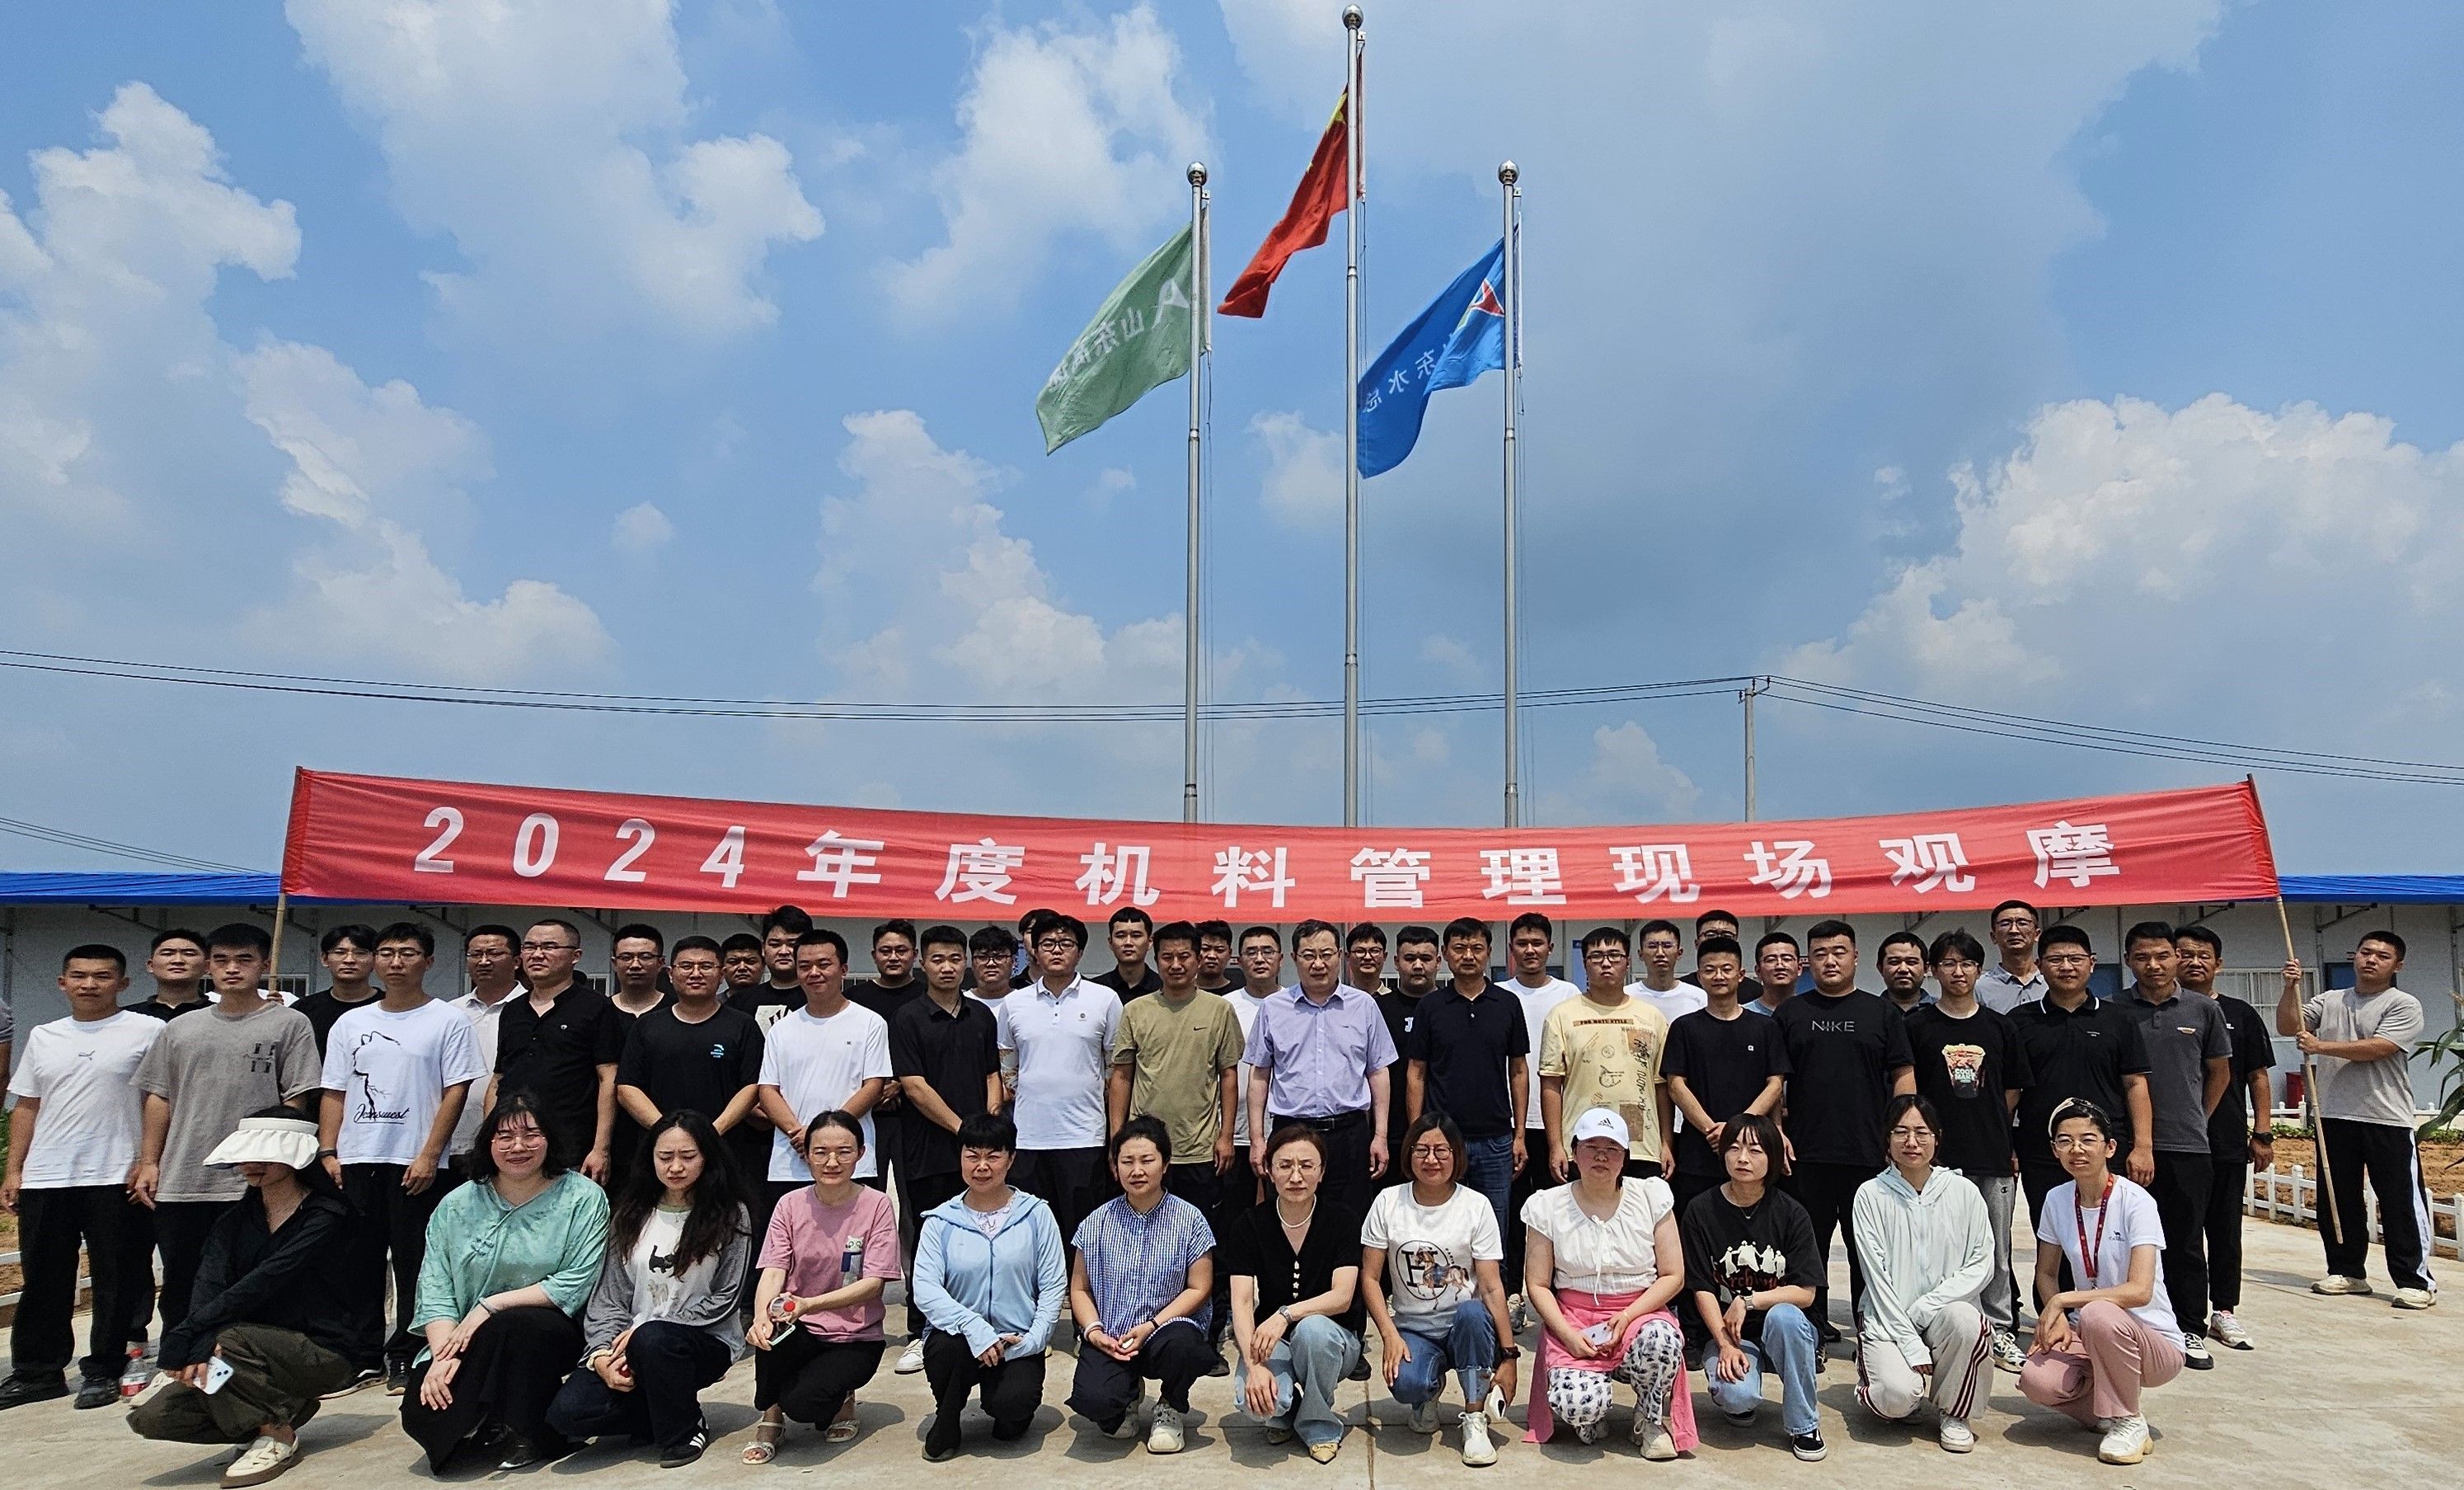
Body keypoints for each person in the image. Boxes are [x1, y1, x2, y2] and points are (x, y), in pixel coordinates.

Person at [126, 1110, 359, 1488]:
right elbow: (208, 1284)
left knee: (229, 1339)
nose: (251, 1165)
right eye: (246, 1156)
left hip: (324, 1350)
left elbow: (264, 1281)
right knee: (152, 1418)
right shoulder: (233, 1221)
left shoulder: (327, 1216)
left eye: (265, 1156)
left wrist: (193, 1334)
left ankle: (276, 1432)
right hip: (246, 1351)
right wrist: (193, 1341)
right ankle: (275, 1409)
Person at [400, 1093, 612, 1471]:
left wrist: (491, 1305)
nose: (518, 1147)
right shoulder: (456, 1205)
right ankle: (490, 1418)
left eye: (531, 1135)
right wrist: (442, 1357)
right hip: (468, 1335)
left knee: (516, 1325)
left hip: (551, 1328)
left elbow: (576, 1281)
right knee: (425, 1414)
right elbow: (436, 1287)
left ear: (549, 1139)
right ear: (488, 1143)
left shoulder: (583, 1197)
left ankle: (534, 1431)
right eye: (505, 1137)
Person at [317, 923, 487, 1394]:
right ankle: (361, 1355)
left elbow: (456, 1091)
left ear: (428, 962)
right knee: (358, 1261)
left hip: (417, 1161)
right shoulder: (351, 1023)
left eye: (408, 953)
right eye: (387, 952)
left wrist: (430, 1154)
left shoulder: (447, 1020)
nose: (396, 962)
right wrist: (329, 1150)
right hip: (357, 1158)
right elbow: (334, 1090)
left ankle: (407, 1352)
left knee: (417, 1262)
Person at [134, 924, 321, 1338]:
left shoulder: (290, 1024)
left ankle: (242, 1361)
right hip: (185, 1177)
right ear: (208, 966)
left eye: (244, 960)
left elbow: (295, 1099)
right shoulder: (180, 1028)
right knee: (181, 1282)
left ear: (265, 965)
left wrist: (277, 1166)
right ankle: (180, 1358)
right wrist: (149, 1162)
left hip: (252, 1178)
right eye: (221, 960)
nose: (231, 969)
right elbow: (159, 1097)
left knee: (248, 1280)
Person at [2, 945, 162, 1412]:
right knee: (44, 1278)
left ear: (123, 983)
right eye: (79, 976)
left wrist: (148, 1159)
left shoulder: (148, 1031)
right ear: (63, 982)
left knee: (116, 1276)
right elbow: (27, 1105)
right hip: (47, 1175)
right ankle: (37, 1372)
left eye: (102, 976)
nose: (89, 984)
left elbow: (159, 1099)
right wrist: (14, 1168)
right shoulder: (44, 1035)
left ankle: (105, 1369)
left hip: (117, 1173)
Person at [547, 1112, 753, 1468]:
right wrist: (601, 1355)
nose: (676, 1167)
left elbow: (726, 1297)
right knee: (568, 1414)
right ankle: (662, 1410)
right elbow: (609, 1296)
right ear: (650, 1159)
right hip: (630, 1342)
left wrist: (650, 1328)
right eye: (665, 1157)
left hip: (702, 1340)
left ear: (707, 1157)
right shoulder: (630, 1214)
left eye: (688, 1156)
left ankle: (684, 1431)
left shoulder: (731, 1214)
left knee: (654, 1339)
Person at [1518, 1107, 1694, 1457]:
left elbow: (1674, 1275)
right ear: (1574, 1152)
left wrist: (1628, 1317)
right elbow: (1536, 1284)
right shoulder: (1547, 1205)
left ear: (1625, 1158)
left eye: (1612, 1149)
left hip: (1638, 1313)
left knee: (1662, 1341)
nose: (1601, 1156)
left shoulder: (1651, 1197)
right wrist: (1568, 1335)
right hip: (1576, 1319)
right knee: (1577, 1404)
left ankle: (1650, 1418)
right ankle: (1590, 1418)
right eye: (1591, 1147)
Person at [1772, 919, 1915, 1347]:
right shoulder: (1791, 1014)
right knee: (1807, 1247)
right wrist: (1777, 1130)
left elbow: (1903, 1075)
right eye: (1820, 954)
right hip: (1804, 1154)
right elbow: (1775, 1080)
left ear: (1855, 957)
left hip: (1868, 1153)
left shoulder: (1882, 1013)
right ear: (1807, 963)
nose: (1830, 961)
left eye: (1838, 952)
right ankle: (1810, 1327)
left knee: (1868, 1249)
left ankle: (1870, 1328)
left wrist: (1900, 1135)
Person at [2017, 1100, 2184, 1466]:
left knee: (2098, 1313)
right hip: (2089, 1333)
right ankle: (2109, 1411)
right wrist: (2059, 1318)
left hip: (2152, 1342)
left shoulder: (2136, 1202)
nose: (2076, 1149)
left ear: (2109, 1147)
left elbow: (2140, 1290)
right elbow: (2046, 1272)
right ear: (2055, 1150)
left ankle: (2128, 1420)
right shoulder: (2057, 1199)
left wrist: (2063, 1301)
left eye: (2088, 1140)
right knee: (2036, 1380)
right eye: (2065, 1141)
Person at [2281, 933, 2437, 1308]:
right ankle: (2347, 1271)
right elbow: (2289, 1026)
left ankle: (2415, 1280)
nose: (2371, 960)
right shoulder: (2330, 1000)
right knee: (2338, 1200)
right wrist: (2289, 988)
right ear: (2355, 957)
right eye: (2366, 952)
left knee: (2399, 1200)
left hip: (2387, 1117)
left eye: (2383, 956)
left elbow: (2380, 1048)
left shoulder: (2403, 1004)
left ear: (2398, 965)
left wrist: (2321, 1046)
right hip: (2334, 1114)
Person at [1106, 922, 1243, 1349]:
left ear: (1199, 958)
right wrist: (1117, 1140)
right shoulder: (1137, 1010)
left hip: (1200, 1149)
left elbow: (1228, 1075)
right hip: (1145, 1154)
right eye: (1167, 957)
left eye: (1185, 956)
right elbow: (1122, 1076)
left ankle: (1208, 1334)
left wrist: (1225, 1135)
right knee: (1142, 1247)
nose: (1176, 964)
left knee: (1206, 1247)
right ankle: (1140, 1325)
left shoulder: (1218, 1010)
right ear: (1155, 958)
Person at [1903, 928, 2033, 1373]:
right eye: (1948, 964)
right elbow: (1909, 1090)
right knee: (1933, 1249)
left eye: (1967, 964)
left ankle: (1999, 1328)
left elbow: (2012, 1089)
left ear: (1979, 970)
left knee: (1995, 1248)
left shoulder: (2001, 1027)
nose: (1958, 972)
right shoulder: (1916, 1026)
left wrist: (1991, 1122)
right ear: (1933, 971)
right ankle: (1935, 1325)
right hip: (1933, 1161)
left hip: (1991, 1155)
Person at [1360, 1114, 1518, 1467]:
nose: (1431, 1159)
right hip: (1413, 1328)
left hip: (1465, 1326)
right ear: (1409, 1153)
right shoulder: (1387, 1201)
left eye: (1441, 1151)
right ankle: (1427, 1394)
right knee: (1406, 1384)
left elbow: (1491, 1286)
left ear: (1456, 1154)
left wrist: (1509, 1357)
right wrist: (1389, 1335)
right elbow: (1369, 1278)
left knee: (1473, 1312)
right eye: (1422, 1150)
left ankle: (1474, 1416)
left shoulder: (1476, 1206)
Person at [744, 1111, 902, 1461]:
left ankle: (842, 1395)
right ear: (806, 1154)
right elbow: (773, 1269)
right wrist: (760, 1317)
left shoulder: (876, 1204)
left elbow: (873, 1284)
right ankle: (771, 1415)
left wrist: (809, 1304)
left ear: (861, 1153)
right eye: (821, 1152)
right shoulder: (789, 1205)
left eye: (844, 1152)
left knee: (805, 1405)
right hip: (799, 1327)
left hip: (854, 1336)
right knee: (771, 1326)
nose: (832, 1162)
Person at [911, 1112, 1068, 1462]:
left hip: (1016, 1338)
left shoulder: (1037, 1214)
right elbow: (925, 1288)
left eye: (993, 1156)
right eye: (972, 1155)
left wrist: (1034, 1339)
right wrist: (974, 1327)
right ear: (960, 1158)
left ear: (1011, 1160)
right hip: (959, 1338)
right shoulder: (940, 1220)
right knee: (946, 1349)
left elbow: (1053, 1284)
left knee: (1011, 1415)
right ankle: (947, 1418)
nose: (982, 1166)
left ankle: (1007, 1406)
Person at [2115, 921, 2232, 1369]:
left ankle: (2189, 1327)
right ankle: (2130, 1324)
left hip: (2186, 1145)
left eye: (2163, 955)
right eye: (2143, 957)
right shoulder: (2113, 1009)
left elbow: (2219, 1072)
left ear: (2176, 958)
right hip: (2126, 1146)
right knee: (2124, 1241)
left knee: (2185, 1242)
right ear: (2129, 961)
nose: (2154, 965)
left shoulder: (2204, 1009)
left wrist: (2197, 1117)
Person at [1063, 1116, 1216, 1453]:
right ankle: (1127, 1395)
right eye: (1127, 1161)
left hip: (1165, 1331)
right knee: (1096, 1402)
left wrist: (1151, 1326)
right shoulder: (1096, 1222)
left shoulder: (1190, 1219)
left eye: (1147, 1160)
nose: (1137, 1170)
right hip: (1113, 1335)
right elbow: (1079, 1289)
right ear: (1115, 1167)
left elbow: (1200, 1287)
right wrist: (1094, 1332)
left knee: (1185, 1348)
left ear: (1165, 1164)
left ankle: (1171, 1404)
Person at [889, 924, 1002, 1375]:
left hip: (979, 1154)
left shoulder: (982, 1016)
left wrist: (990, 1123)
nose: (948, 967)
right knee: (929, 1241)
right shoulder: (907, 1018)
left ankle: (985, 1321)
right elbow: (914, 1086)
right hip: (928, 1152)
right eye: (938, 959)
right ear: (922, 962)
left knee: (982, 1236)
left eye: (956, 959)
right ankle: (922, 1332)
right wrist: (964, 1131)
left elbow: (992, 1074)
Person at [1852, 1095, 1992, 1452]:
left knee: (1968, 1321)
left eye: (1921, 1132)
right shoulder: (1870, 1195)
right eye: (1901, 1132)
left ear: (1937, 1138)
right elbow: (1876, 1279)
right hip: (1888, 1316)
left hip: (1943, 1315)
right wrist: (1910, 1340)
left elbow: (1981, 1264)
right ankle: (1886, 1377)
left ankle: (1955, 1412)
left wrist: (1926, 1308)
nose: (1911, 1142)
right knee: (1896, 1398)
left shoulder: (1964, 1192)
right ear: (1887, 1139)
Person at [1683, 1114, 1824, 1461]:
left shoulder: (1791, 1213)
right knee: (1737, 1397)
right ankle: (1744, 1399)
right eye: (1734, 1148)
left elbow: (1806, 1292)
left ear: (1773, 1158)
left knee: (1785, 1316)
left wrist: (1748, 1300)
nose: (1743, 1158)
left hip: (1782, 1331)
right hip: (1731, 1335)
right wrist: (1724, 1344)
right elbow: (1702, 1288)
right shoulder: (1700, 1211)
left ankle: (1804, 1424)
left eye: (1755, 1150)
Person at [1219, 1124, 1364, 1462]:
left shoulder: (1342, 1220)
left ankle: (1319, 1423)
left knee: (1312, 1330)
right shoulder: (1249, 1224)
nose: (1296, 1176)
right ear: (1270, 1171)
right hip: (1275, 1342)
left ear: (1321, 1172)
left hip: (1333, 1339)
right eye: (1285, 1166)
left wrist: (1285, 1315)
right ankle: (1290, 1411)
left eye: (1306, 1166)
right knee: (1254, 1403)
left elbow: (1342, 1296)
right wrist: (1253, 1365)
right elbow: (1241, 1302)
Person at [1246, 919, 1396, 1223]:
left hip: (1349, 1133)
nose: (1318, 964)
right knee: (1288, 1217)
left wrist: (1380, 1136)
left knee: (1350, 1221)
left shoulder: (1364, 1006)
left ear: (1340, 956)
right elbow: (1259, 1075)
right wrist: (1258, 1139)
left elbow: (1378, 1073)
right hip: (1290, 1131)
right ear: (1293, 958)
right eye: (1308, 955)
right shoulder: (1273, 1007)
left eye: (1326, 954)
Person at [2011, 927, 2154, 1237]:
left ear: (2092, 963)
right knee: (2052, 1236)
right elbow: (2011, 1090)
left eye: (2075, 959)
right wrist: (2006, 1146)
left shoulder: (2119, 1019)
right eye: (2056, 960)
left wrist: (2143, 1146)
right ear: (2039, 965)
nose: (2066, 967)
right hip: (2043, 1151)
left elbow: (2135, 1084)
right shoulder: (2019, 1021)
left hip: (2106, 1147)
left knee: (2110, 1236)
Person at [2174, 925, 2274, 1349]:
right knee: (2177, 1231)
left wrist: (2263, 1133)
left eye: (2203, 955)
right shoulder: (2156, 1011)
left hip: (2225, 1140)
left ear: (2219, 963)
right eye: (2185, 953)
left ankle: (2224, 1310)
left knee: (2224, 1229)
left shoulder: (2241, 1013)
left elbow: (2258, 1076)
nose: (2194, 962)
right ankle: (2178, 1312)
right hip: (2172, 1141)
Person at [997, 910, 1121, 1252]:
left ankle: (1079, 1282)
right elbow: (1008, 1064)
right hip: (1029, 1136)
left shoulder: (1104, 999)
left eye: (1066, 943)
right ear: (1034, 951)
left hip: (1084, 1135)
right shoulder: (1014, 1003)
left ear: (1080, 952)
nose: (1056, 950)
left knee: (1083, 1228)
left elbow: (1114, 1066)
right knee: (1033, 1230)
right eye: (1048, 943)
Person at [1406, 917, 1528, 1248]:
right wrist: (1418, 1133)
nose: (1468, 956)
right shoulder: (1431, 1006)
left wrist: (1519, 1135)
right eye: (1459, 948)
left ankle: (1495, 1285)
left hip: (1496, 1139)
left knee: (1494, 1229)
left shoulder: (1507, 1003)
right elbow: (1416, 1072)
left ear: (1490, 952)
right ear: (1446, 954)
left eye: (1477, 948)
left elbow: (1518, 1071)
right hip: (1443, 1139)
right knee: (1444, 1226)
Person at [617, 935, 765, 1199]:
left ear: (721, 974)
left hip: (725, 1148)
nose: (696, 973)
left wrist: (711, 1133)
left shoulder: (743, 1026)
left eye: (706, 966)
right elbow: (627, 1088)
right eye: (686, 966)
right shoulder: (647, 1027)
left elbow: (752, 1086)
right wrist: (668, 1134)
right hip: (660, 1154)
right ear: (670, 974)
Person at [758, 929, 892, 1210]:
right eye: (805, 966)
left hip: (851, 1160)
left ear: (844, 969)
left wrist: (823, 1135)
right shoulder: (781, 1029)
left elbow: (873, 1086)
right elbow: (768, 1089)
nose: (814, 973)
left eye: (824, 964)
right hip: (790, 1161)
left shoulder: (870, 1023)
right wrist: (800, 1134)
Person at [1664, 933, 1788, 1222]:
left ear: (1741, 975)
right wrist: (1712, 1130)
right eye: (1709, 970)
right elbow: (1676, 1085)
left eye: (1726, 969)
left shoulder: (1765, 1027)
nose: (1718, 976)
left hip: (1754, 1151)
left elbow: (1775, 1084)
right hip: (1699, 1151)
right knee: (1696, 1229)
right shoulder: (1684, 1028)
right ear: (1699, 977)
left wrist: (1737, 1131)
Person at [1541, 926, 1674, 1183]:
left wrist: (1666, 1143)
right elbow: (1551, 1084)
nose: (1606, 963)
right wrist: (1556, 1146)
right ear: (1585, 963)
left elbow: (1661, 1086)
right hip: (1582, 1143)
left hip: (1641, 1146)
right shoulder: (1562, 1015)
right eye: (1596, 956)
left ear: (1628, 962)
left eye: (1614, 956)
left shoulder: (1651, 1017)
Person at [490, 919, 618, 1177]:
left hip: (571, 1147)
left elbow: (608, 1079)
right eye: (530, 947)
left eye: (549, 947)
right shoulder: (513, 1010)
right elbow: (498, 1080)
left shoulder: (596, 1007)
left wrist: (601, 1148)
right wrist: (490, 1138)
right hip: (514, 1147)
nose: (537, 955)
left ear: (575, 956)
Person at [1503, 913, 1578, 1320]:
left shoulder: (1570, 996)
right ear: (1511, 950)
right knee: (1513, 1216)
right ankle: (1512, 1297)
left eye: (1537, 943)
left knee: (1560, 1216)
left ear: (1550, 947)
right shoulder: (1500, 996)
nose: (1530, 950)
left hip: (1560, 1127)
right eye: (1522, 943)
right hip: (1511, 1124)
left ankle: (1561, 1301)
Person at [600, 924, 675, 1183]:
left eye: (645, 957)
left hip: (666, 1128)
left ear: (661, 963)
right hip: (610, 1135)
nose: (635, 965)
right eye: (626, 957)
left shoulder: (677, 1010)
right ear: (614, 963)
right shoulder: (598, 1012)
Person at [446, 925, 523, 1174]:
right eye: (475, 954)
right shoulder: (450, 1012)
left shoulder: (532, 1010)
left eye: (494, 953)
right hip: (449, 1143)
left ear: (517, 961)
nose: (484, 961)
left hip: (512, 1143)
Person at [1375, 926, 1439, 1166]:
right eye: (1410, 958)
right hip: (1388, 1132)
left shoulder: (1451, 1008)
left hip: (1442, 1130)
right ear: (1396, 962)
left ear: (1438, 961)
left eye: (1426, 958)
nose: (1418, 965)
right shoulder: (1377, 1008)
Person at [292, 925, 378, 1055]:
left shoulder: (391, 1007)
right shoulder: (303, 1010)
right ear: (324, 959)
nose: (349, 960)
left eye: (360, 953)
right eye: (340, 953)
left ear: (375, 960)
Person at [1625, 919, 1706, 1024]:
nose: (1660, 953)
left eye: (1667, 946)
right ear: (1640, 954)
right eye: (1652, 946)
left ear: (1679, 953)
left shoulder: (1699, 997)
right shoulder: (1626, 996)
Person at [1978, 900, 2046, 1015]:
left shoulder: (2051, 982)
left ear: (2037, 934)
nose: (2014, 930)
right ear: (1993, 936)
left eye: (2022, 923)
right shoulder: (1979, 988)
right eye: (2005, 924)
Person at [128, 928, 211, 1022]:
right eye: (167, 954)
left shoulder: (222, 1016)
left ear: (207, 966)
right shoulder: (125, 1017)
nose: (178, 960)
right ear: (151, 966)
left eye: (189, 954)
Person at [1693, 910, 1765, 1007]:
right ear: (1697, 943)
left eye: (1727, 936)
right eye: (1710, 935)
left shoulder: (1756, 991)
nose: (1719, 940)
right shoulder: (1684, 988)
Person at [1094, 908, 1164, 1002]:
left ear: (1150, 942)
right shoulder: (1095, 989)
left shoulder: (1164, 988)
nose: (1128, 942)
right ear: (1111, 943)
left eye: (1136, 936)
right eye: (1120, 936)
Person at [1877, 932, 1933, 1015]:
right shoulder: (1868, 1011)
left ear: (1926, 968)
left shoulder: (1944, 1012)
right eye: (1894, 962)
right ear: (1880, 968)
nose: (1903, 969)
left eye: (1911, 962)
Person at [1751, 932, 1801, 1016]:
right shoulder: (1744, 1016)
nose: (1780, 966)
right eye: (1771, 960)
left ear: (1799, 968)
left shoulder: (1811, 1013)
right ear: (1758, 971)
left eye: (1787, 959)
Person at [1194, 920, 1239, 995]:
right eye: (1205, 949)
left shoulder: (1238, 994)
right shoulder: (1182, 991)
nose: (1212, 956)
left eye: (1219, 950)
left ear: (1230, 953)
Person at [720, 934, 768, 1002]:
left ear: (763, 966)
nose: (742, 967)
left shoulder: (775, 1002)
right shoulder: (711, 1005)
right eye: (733, 962)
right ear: (722, 967)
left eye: (751, 961)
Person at [1346, 923, 1389, 994]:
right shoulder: (1340, 999)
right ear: (1348, 957)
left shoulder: (1396, 1000)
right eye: (1360, 951)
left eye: (1375, 951)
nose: (1367, 957)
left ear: (1385, 956)